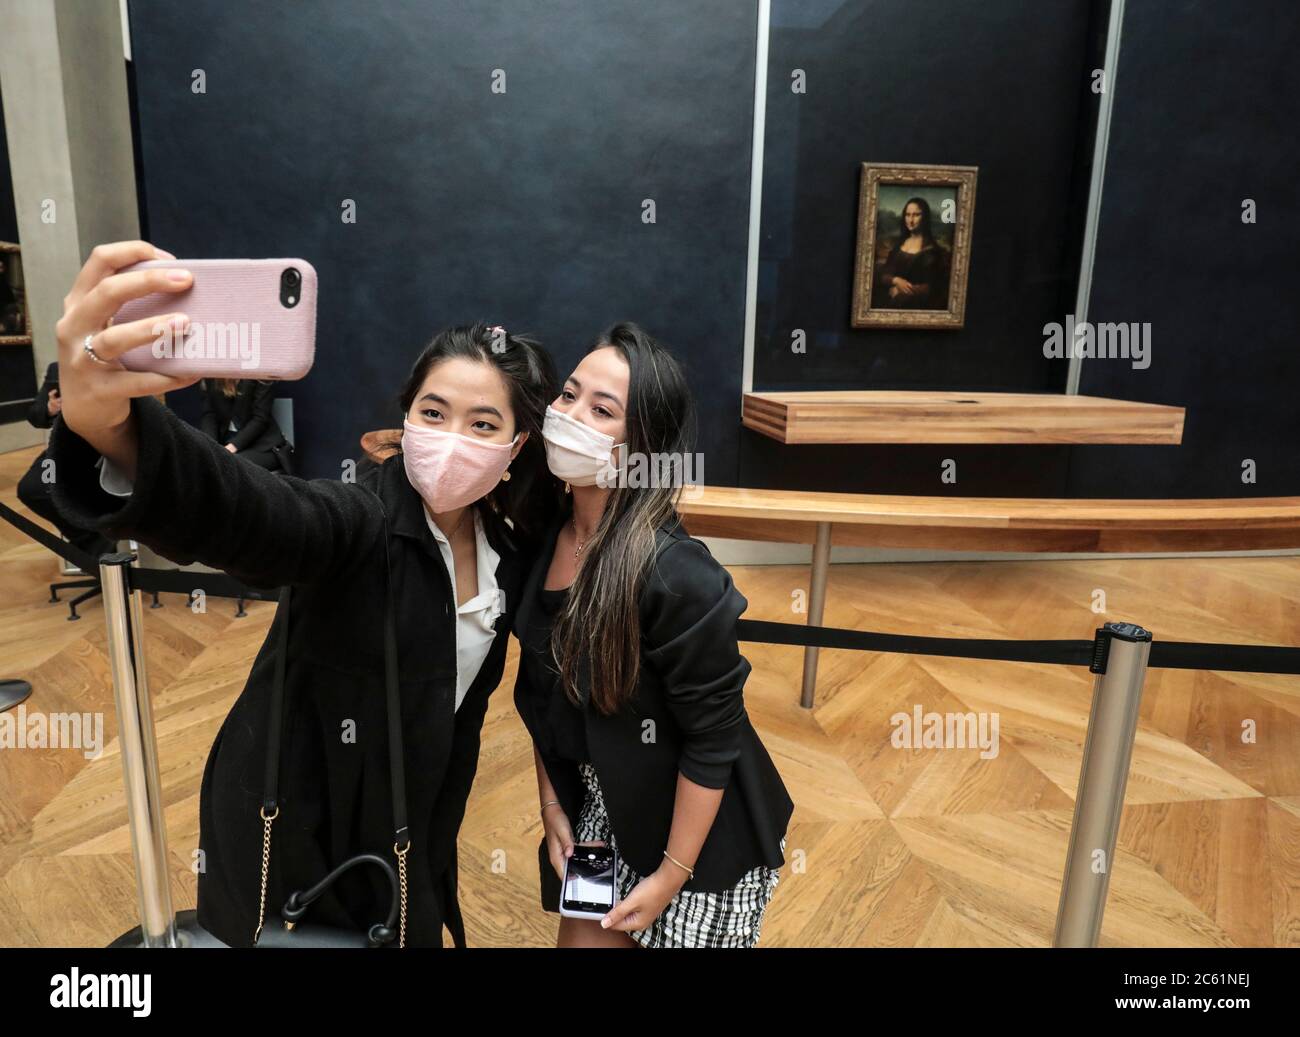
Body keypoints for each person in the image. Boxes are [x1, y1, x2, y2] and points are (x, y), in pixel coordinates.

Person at [47, 239, 560, 948]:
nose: (451, 439)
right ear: (406, 416)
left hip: (416, 821)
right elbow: (255, 514)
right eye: (434, 413)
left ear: (514, 447)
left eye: (482, 424)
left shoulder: (509, 548)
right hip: (300, 816)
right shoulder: (359, 520)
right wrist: (114, 430)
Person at [514, 322, 794, 948]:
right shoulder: (547, 539)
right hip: (604, 798)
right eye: (568, 395)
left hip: (701, 840)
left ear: (640, 447)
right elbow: (543, 694)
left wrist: (671, 875)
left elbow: (713, 741)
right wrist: (554, 805)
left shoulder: (679, 575)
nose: (570, 415)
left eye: (602, 409)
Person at [15, 360, 115, 560]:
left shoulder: (121, 365)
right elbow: (35, 414)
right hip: (64, 452)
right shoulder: (57, 369)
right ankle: (93, 542)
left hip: (110, 451)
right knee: (35, 488)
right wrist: (50, 409)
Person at [874, 196, 951, 310]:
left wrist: (901, 292)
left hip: (915, 304)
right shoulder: (899, 245)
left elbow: (933, 287)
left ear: (924, 218)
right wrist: (895, 280)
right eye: (908, 214)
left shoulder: (932, 251)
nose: (910, 220)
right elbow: (885, 273)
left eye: (916, 215)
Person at [198, 378, 289, 471]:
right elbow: (209, 415)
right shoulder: (212, 375)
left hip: (262, 445)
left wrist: (230, 448)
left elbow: (260, 419)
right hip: (225, 442)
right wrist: (211, 447)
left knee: (229, 467)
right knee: (203, 465)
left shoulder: (259, 373)